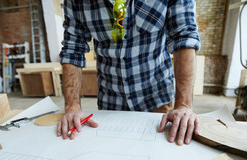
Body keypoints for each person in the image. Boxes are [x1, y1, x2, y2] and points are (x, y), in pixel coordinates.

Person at [57, 0, 201, 145]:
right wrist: (72, 107)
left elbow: (184, 37)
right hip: (110, 102)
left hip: (157, 99)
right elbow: (73, 48)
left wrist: (184, 105)